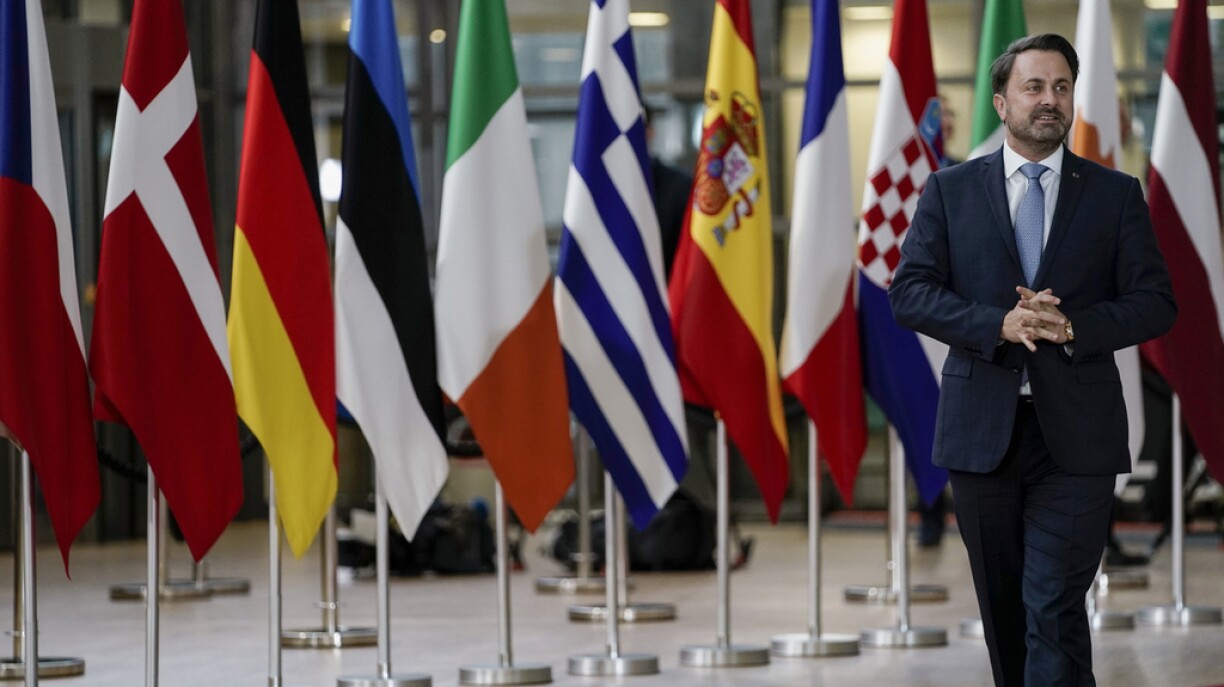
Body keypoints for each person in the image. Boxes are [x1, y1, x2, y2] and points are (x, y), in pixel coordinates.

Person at [888, 33, 1176, 687]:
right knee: (1007, 612)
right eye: (1034, 87)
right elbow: (910, 293)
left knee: (1052, 602)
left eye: (1062, 87)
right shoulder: (949, 190)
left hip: (1077, 437)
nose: (1050, 100)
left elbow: (1156, 303)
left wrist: (1074, 324)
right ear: (1001, 101)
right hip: (981, 435)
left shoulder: (1115, 194)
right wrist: (999, 323)